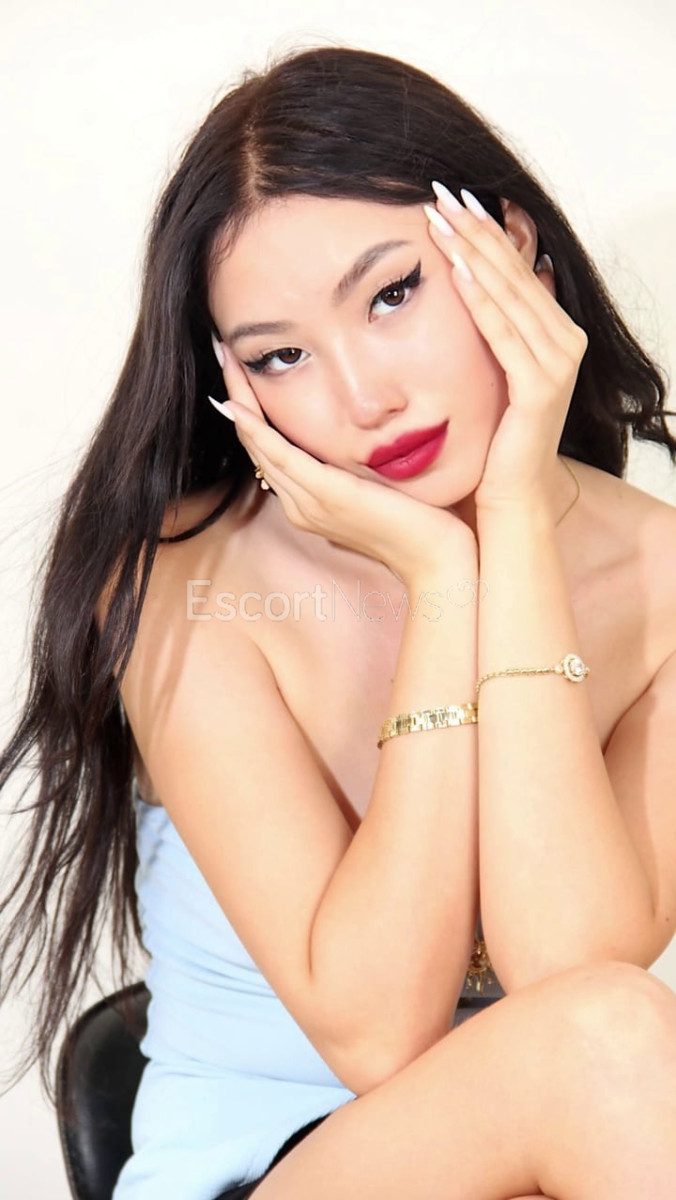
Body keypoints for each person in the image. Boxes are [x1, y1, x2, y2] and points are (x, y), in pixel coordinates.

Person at [2, 42, 676, 1200]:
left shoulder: (658, 577)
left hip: (558, 1169)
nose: (366, 398)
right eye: (283, 356)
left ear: (511, 247)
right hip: (265, 1173)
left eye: (392, 294)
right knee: (608, 1046)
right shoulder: (190, 585)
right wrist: (442, 583)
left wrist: (512, 524)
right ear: (235, 384)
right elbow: (381, 1034)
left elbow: (566, 965)